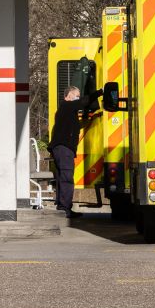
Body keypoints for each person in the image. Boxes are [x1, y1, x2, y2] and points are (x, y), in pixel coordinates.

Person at [49, 84, 98, 218]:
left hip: (60, 148)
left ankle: (62, 207)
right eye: (76, 95)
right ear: (68, 96)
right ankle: (65, 209)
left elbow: (74, 125)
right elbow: (84, 102)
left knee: (61, 178)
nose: (78, 98)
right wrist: (98, 93)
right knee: (66, 178)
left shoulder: (66, 110)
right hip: (64, 149)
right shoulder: (67, 105)